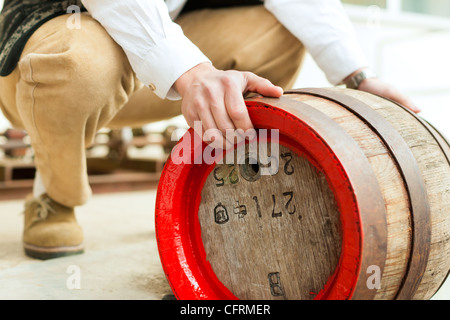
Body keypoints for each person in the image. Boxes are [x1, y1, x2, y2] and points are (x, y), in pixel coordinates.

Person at [0, 0, 419, 260]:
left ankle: (203, 180)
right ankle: (53, 196)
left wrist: (358, 76)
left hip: (144, 64)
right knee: (82, 62)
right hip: (50, 55)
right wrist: (189, 70)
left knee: (278, 32)